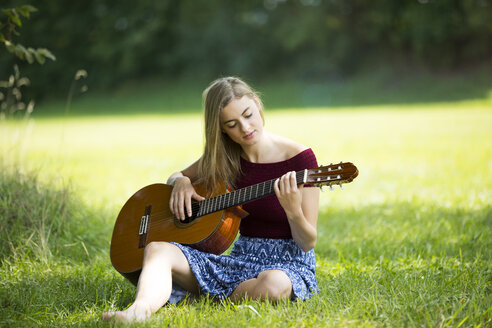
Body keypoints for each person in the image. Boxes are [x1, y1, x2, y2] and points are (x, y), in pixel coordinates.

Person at [102, 76, 320, 323]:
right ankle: (136, 313)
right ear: (222, 129)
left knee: (273, 284)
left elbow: (307, 242)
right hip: (239, 262)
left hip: (288, 266)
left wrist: (293, 212)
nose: (245, 128)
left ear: (258, 105)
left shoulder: (301, 159)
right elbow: (178, 175)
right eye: (232, 124)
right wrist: (181, 182)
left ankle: (200, 296)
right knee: (157, 249)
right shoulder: (225, 158)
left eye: (248, 115)